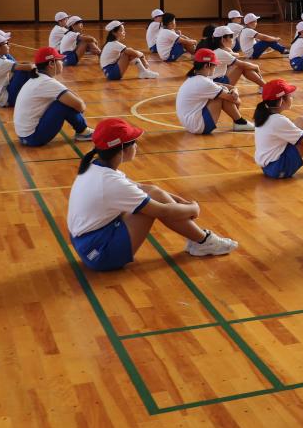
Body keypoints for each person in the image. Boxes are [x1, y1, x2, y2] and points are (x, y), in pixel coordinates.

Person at [67, 118, 237, 270]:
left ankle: (201, 240)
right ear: (122, 149)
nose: (136, 146)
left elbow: (143, 188)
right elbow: (163, 211)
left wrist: (181, 202)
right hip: (99, 253)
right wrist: (193, 208)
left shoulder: (96, 167)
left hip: (87, 241)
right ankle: (203, 241)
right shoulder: (111, 182)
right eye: (133, 142)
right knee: (151, 206)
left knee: (152, 192)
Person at [253, 79, 303, 178]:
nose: (292, 97)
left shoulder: (265, 116)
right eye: (290, 95)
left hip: (268, 168)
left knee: (301, 121)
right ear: (281, 101)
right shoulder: (278, 121)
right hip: (279, 168)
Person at [13, 47, 92, 146]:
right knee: (63, 104)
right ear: (51, 64)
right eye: (60, 60)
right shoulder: (46, 82)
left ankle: (83, 131)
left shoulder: (38, 78)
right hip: (33, 137)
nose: (62, 63)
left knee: (64, 100)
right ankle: (83, 131)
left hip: (24, 136)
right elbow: (80, 106)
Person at [174, 49, 255, 135]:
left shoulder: (196, 79)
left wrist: (234, 90)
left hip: (190, 124)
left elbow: (228, 86)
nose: (216, 66)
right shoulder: (204, 82)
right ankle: (240, 122)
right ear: (206, 66)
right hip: (199, 126)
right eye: (214, 65)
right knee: (221, 95)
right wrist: (234, 94)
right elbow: (233, 99)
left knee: (221, 90)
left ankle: (239, 121)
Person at [0, 32, 34, 108]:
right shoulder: (0, 62)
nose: (9, 45)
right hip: (7, 99)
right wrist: (42, 64)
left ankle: (31, 92)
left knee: (25, 66)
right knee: (25, 69)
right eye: (6, 43)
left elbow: (18, 65)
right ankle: (35, 92)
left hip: (4, 94)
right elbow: (29, 67)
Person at [209, 26, 265, 90]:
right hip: (217, 84)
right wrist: (256, 67)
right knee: (241, 67)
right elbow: (242, 64)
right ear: (223, 40)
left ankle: (264, 86)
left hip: (214, 81)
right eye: (231, 37)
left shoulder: (215, 50)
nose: (232, 39)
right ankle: (265, 86)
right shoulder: (221, 52)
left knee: (237, 66)